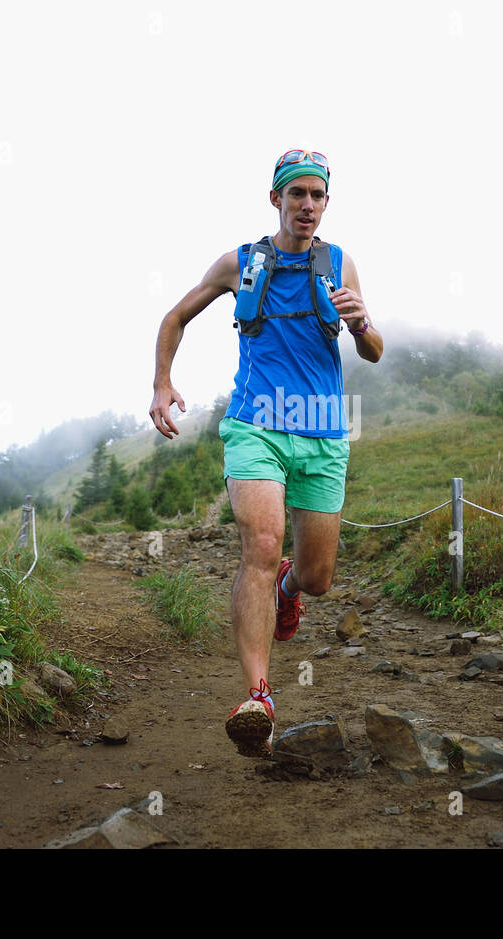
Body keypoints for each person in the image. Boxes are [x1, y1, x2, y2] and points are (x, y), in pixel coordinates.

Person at [148, 149, 382, 756]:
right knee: (260, 545)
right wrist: (162, 384)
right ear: (275, 198)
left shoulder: (340, 264)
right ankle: (258, 695)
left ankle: (288, 592)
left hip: (324, 433)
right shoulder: (239, 264)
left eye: (318, 195)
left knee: (317, 578)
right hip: (255, 425)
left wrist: (361, 324)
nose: (307, 205)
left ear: (327, 202)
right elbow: (176, 316)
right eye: (297, 194)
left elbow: (376, 350)